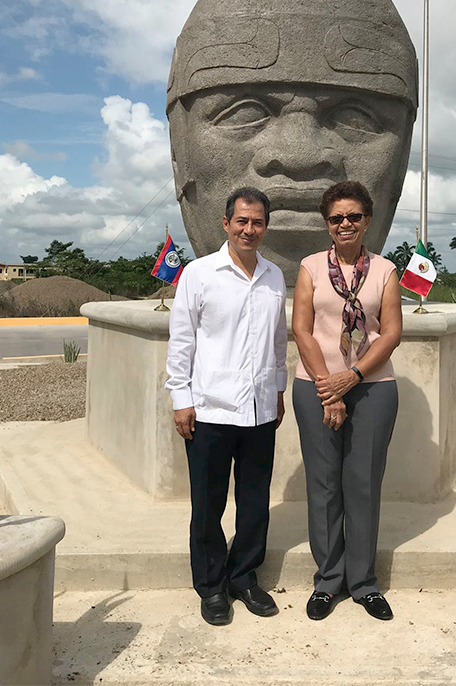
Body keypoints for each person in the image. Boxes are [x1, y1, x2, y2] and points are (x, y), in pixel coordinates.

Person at [166, 0, 418, 286]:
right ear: (180, 149)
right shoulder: (197, 284)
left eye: (355, 118)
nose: (300, 156)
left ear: (401, 159)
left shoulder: (382, 281)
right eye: (246, 112)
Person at [165, 186, 287, 626]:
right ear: (226, 223)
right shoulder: (199, 274)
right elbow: (182, 342)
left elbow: (277, 341)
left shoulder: (273, 276)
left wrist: (278, 389)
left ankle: (244, 576)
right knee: (209, 503)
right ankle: (212, 585)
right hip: (210, 409)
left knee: (254, 501)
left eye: (257, 222)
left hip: (259, 410)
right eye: (242, 221)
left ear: (265, 227)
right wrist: (181, 399)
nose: (249, 229)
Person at [292, 180, 402, 621]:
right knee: (323, 486)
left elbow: (391, 332)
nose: (345, 224)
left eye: (354, 216)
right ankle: (328, 580)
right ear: (327, 223)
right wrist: (328, 386)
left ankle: (363, 582)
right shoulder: (311, 267)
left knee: (362, 485)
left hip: (373, 386)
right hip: (315, 385)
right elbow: (302, 329)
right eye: (336, 217)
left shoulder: (385, 270)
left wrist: (351, 377)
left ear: (367, 220)